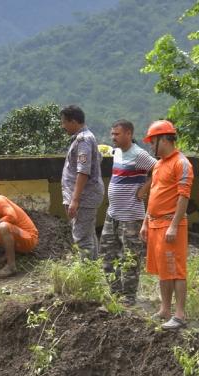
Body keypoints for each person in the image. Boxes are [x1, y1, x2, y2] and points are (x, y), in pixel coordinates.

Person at [140, 119, 193, 330]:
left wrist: (174, 226)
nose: (151, 146)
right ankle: (165, 309)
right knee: (163, 269)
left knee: (176, 270)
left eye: (153, 142)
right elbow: (153, 194)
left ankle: (179, 315)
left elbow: (184, 196)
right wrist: (146, 222)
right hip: (155, 225)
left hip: (171, 225)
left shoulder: (182, 163)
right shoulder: (159, 165)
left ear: (164, 139)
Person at [101, 120, 156, 302]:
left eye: (116, 134)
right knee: (107, 255)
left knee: (130, 258)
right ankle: (115, 293)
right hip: (112, 214)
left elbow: (159, 170)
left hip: (131, 216)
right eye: (112, 134)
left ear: (129, 134)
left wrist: (144, 189)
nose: (113, 137)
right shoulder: (117, 152)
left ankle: (128, 297)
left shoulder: (139, 154)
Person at [60, 105, 105, 259]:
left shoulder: (83, 140)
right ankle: (93, 267)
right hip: (87, 196)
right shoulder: (87, 137)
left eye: (64, 122)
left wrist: (75, 200)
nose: (63, 126)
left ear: (73, 121)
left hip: (84, 197)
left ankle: (86, 270)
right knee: (89, 235)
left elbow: (83, 171)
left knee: (82, 238)